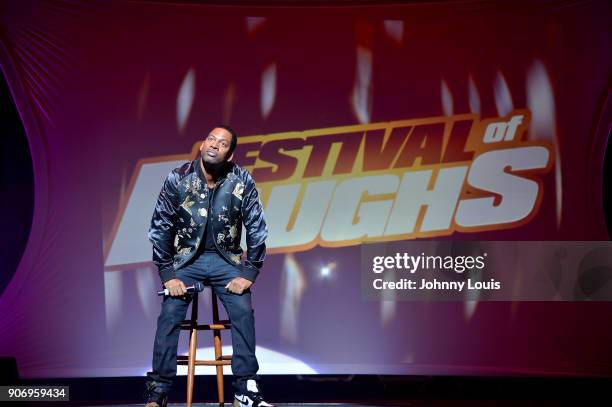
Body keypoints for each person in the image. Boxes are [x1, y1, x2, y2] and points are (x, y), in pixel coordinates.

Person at [144, 126, 273, 407]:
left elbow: (257, 229)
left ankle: (245, 388)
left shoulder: (241, 181)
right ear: (202, 146)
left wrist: (249, 273)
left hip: (227, 261)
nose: (215, 145)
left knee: (242, 311)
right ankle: (159, 389)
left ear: (230, 153)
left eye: (223, 143)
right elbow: (160, 228)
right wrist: (167, 275)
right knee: (169, 315)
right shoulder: (178, 178)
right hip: (186, 261)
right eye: (211, 140)